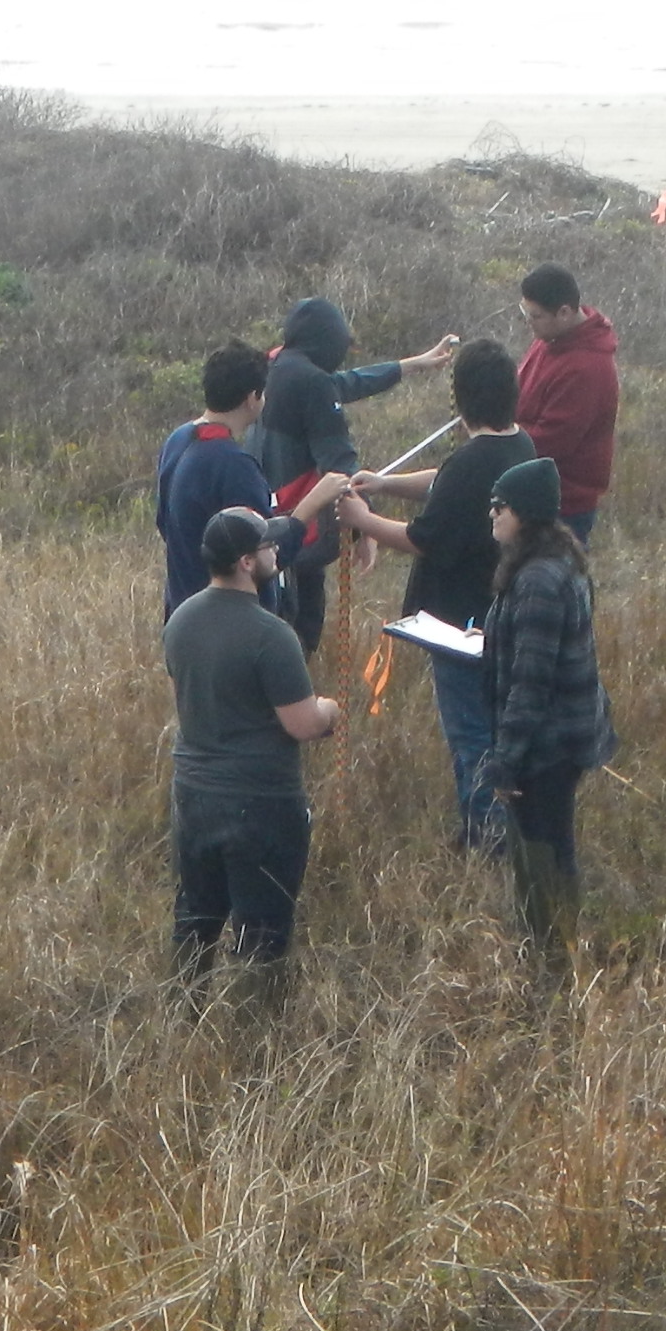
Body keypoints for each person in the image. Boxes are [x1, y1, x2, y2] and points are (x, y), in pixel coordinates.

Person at [348, 337, 528, 851]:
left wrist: (364, 519)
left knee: (471, 736)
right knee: (491, 730)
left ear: (460, 400)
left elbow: (422, 538)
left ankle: (485, 839)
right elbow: (447, 480)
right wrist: (383, 484)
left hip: (459, 627)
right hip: (497, 617)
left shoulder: (474, 462)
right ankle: (494, 829)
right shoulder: (517, 446)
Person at [162, 496, 347, 979]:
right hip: (260, 803)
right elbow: (302, 725)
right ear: (247, 562)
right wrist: (331, 710)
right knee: (262, 936)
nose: (276, 552)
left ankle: (185, 1018)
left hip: (193, 796)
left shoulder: (180, 621)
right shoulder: (272, 635)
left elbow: (190, 698)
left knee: (195, 922)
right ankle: (255, 1039)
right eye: (268, 545)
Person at [252, 296, 455, 650]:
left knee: (269, 614)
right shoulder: (313, 383)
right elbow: (340, 464)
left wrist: (413, 364)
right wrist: (364, 527)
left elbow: (346, 383)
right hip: (298, 522)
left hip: (259, 514)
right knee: (299, 625)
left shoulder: (277, 365)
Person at [479, 456, 614, 969]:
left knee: (541, 853)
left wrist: (506, 763)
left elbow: (530, 684)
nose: (492, 514)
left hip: (546, 747)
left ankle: (550, 958)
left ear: (525, 514)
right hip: (565, 736)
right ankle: (557, 944)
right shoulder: (558, 563)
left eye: (501, 506)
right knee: (553, 845)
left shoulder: (536, 581)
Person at [155, 344, 276, 622]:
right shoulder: (235, 466)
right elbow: (260, 558)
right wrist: (310, 509)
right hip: (233, 623)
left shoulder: (178, 439)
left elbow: (164, 521)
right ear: (252, 398)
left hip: (182, 611)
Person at [510, 265, 621, 546]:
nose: (529, 323)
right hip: (525, 490)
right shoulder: (550, 338)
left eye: (535, 316)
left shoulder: (588, 368)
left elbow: (552, 441)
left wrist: (497, 434)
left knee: (546, 584)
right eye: (526, 314)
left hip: (561, 507)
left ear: (564, 312)